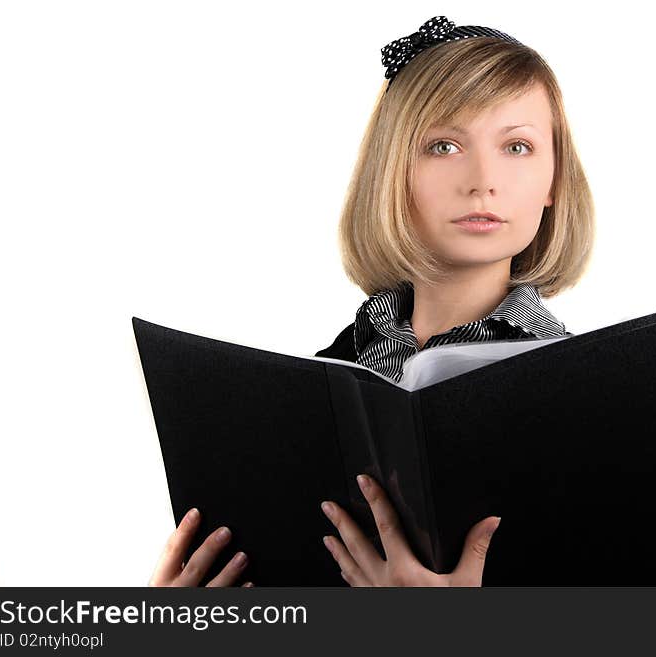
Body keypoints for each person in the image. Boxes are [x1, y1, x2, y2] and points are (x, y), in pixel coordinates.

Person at [149, 16, 594, 588]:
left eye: (517, 146)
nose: (483, 179)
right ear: (393, 172)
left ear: (554, 179)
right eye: (443, 145)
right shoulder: (317, 384)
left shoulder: (591, 395)